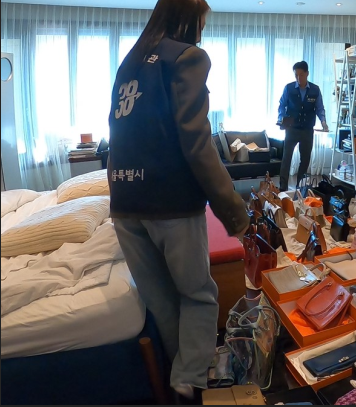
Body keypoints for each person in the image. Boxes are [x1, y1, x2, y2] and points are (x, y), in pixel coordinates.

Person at [107, 0, 250, 401]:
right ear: (188, 18)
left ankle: (180, 375)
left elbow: (116, 134)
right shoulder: (187, 57)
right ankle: (190, 379)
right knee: (199, 295)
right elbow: (197, 142)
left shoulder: (129, 63)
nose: (201, 32)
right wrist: (234, 212)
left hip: (125, 203)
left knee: (162, 300)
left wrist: (117, 193)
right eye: (200, 23)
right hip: (169, 200)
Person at [277, 61, 329, 191]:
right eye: (296, 75)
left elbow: (320, 108)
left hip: (307, 130)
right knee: (286, 158)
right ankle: (283, 188)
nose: (298, 78)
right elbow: (282, 105)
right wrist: (281, 119)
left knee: (305, 160)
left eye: (301, 75)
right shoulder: (289, 88)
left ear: (307, 74)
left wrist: (323, 122)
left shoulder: (315, 90)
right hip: (291, 129)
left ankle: (300, 188)